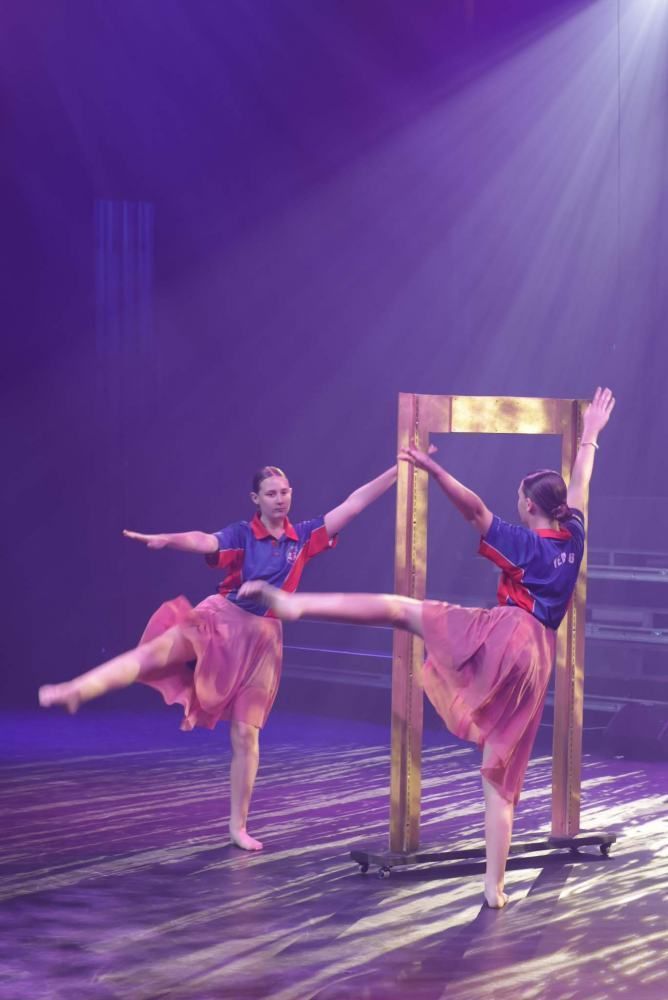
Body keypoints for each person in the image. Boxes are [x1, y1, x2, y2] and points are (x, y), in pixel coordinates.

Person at [239, 388, 616, 905]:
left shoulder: (527, 544)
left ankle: (297, 606)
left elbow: (475, 510)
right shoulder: (573, 535)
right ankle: (494, 886)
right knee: (501, 769)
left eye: (519, 499)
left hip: (505, 634)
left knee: (402, 610)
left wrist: (437, 474)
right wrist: (590, 434)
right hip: (539, 658)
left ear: (529, 506)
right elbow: (580, 484)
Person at [39, 462, 398, 851]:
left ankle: (237, 827)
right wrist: (168, 539)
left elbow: (354, 504)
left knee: (246, 734)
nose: (281, 499)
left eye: (285, 491)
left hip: (262, 642)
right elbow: (204, 540)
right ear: (256, 499)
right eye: (272, 493)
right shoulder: (243, 535)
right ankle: (76, 689)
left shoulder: (305, 535)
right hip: (219, 621)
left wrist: (398, 470)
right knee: (152, 655)